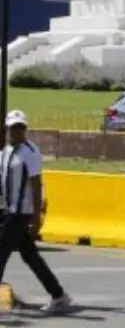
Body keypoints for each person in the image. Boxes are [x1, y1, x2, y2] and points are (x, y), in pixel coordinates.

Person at [0, 111, 71, 315]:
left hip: (22, 213)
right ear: (7, 129)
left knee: (1, 251)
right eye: (13, 127)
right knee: (30, 256)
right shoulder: (5, 152)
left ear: (25, 129)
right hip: (9, 211)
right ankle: (58, 295)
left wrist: (36, 217)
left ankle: (58, 295)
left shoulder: (30, 152)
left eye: (21, 127)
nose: (17, 131)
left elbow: (36, 184)